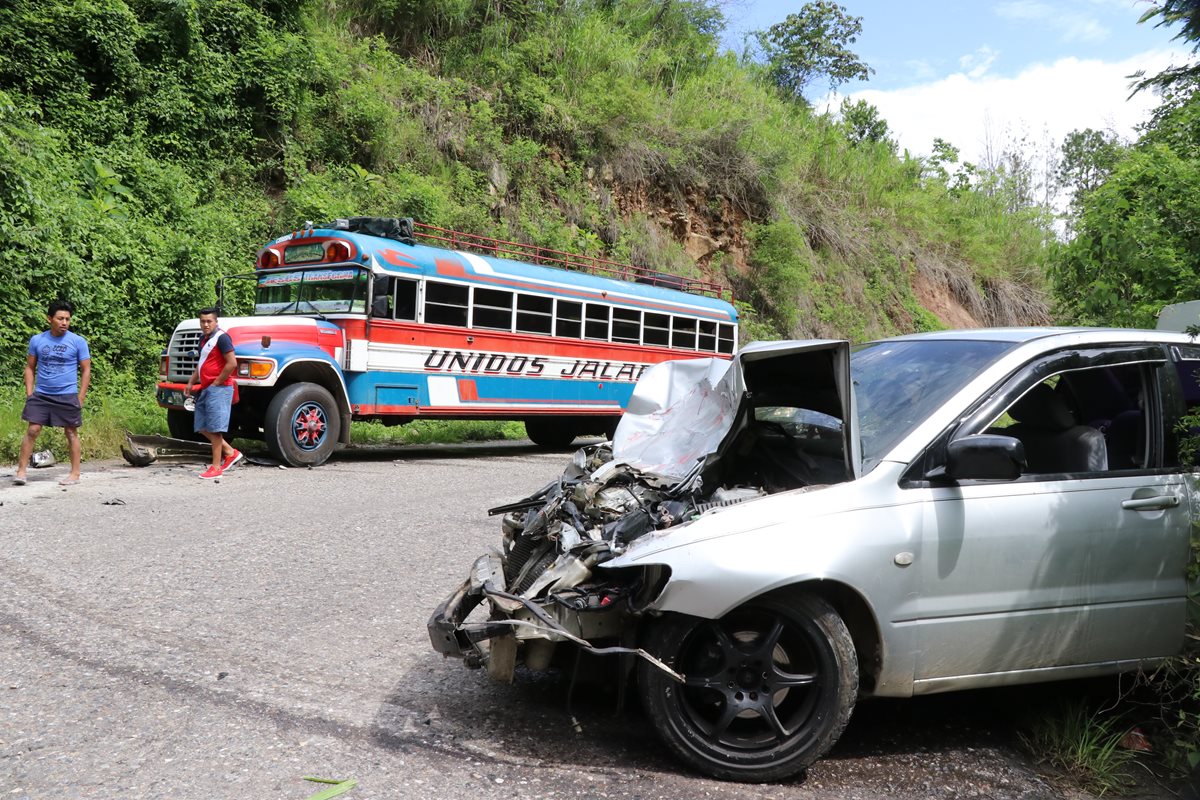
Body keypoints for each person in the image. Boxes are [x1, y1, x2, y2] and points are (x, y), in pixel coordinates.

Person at [15, 299, 92, 486]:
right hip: (41, 394)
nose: (64, 322)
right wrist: (29, 393)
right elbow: (30, 367)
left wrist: (80, 397)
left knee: (71, 432)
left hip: (67, 394)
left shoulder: (78, 341)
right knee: (33, 430)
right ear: (49, 319)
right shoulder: (37, 340)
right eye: (60, 318)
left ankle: (75, 474)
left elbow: (86, 369)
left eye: (67, 319)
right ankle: (21, 471)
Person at [184, 307, 242, 479]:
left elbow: (232, 363)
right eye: (202, 321)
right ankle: (230, 452)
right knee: (201, 426)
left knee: (215, 429)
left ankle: (216, 468)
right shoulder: (203, 339)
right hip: (206, 387)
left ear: (216, 321)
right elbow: (201, 363)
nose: (206, 324)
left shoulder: (222, 338)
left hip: (219, 388)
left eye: (209, 321)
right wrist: (191, 382)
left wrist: (217, 382)